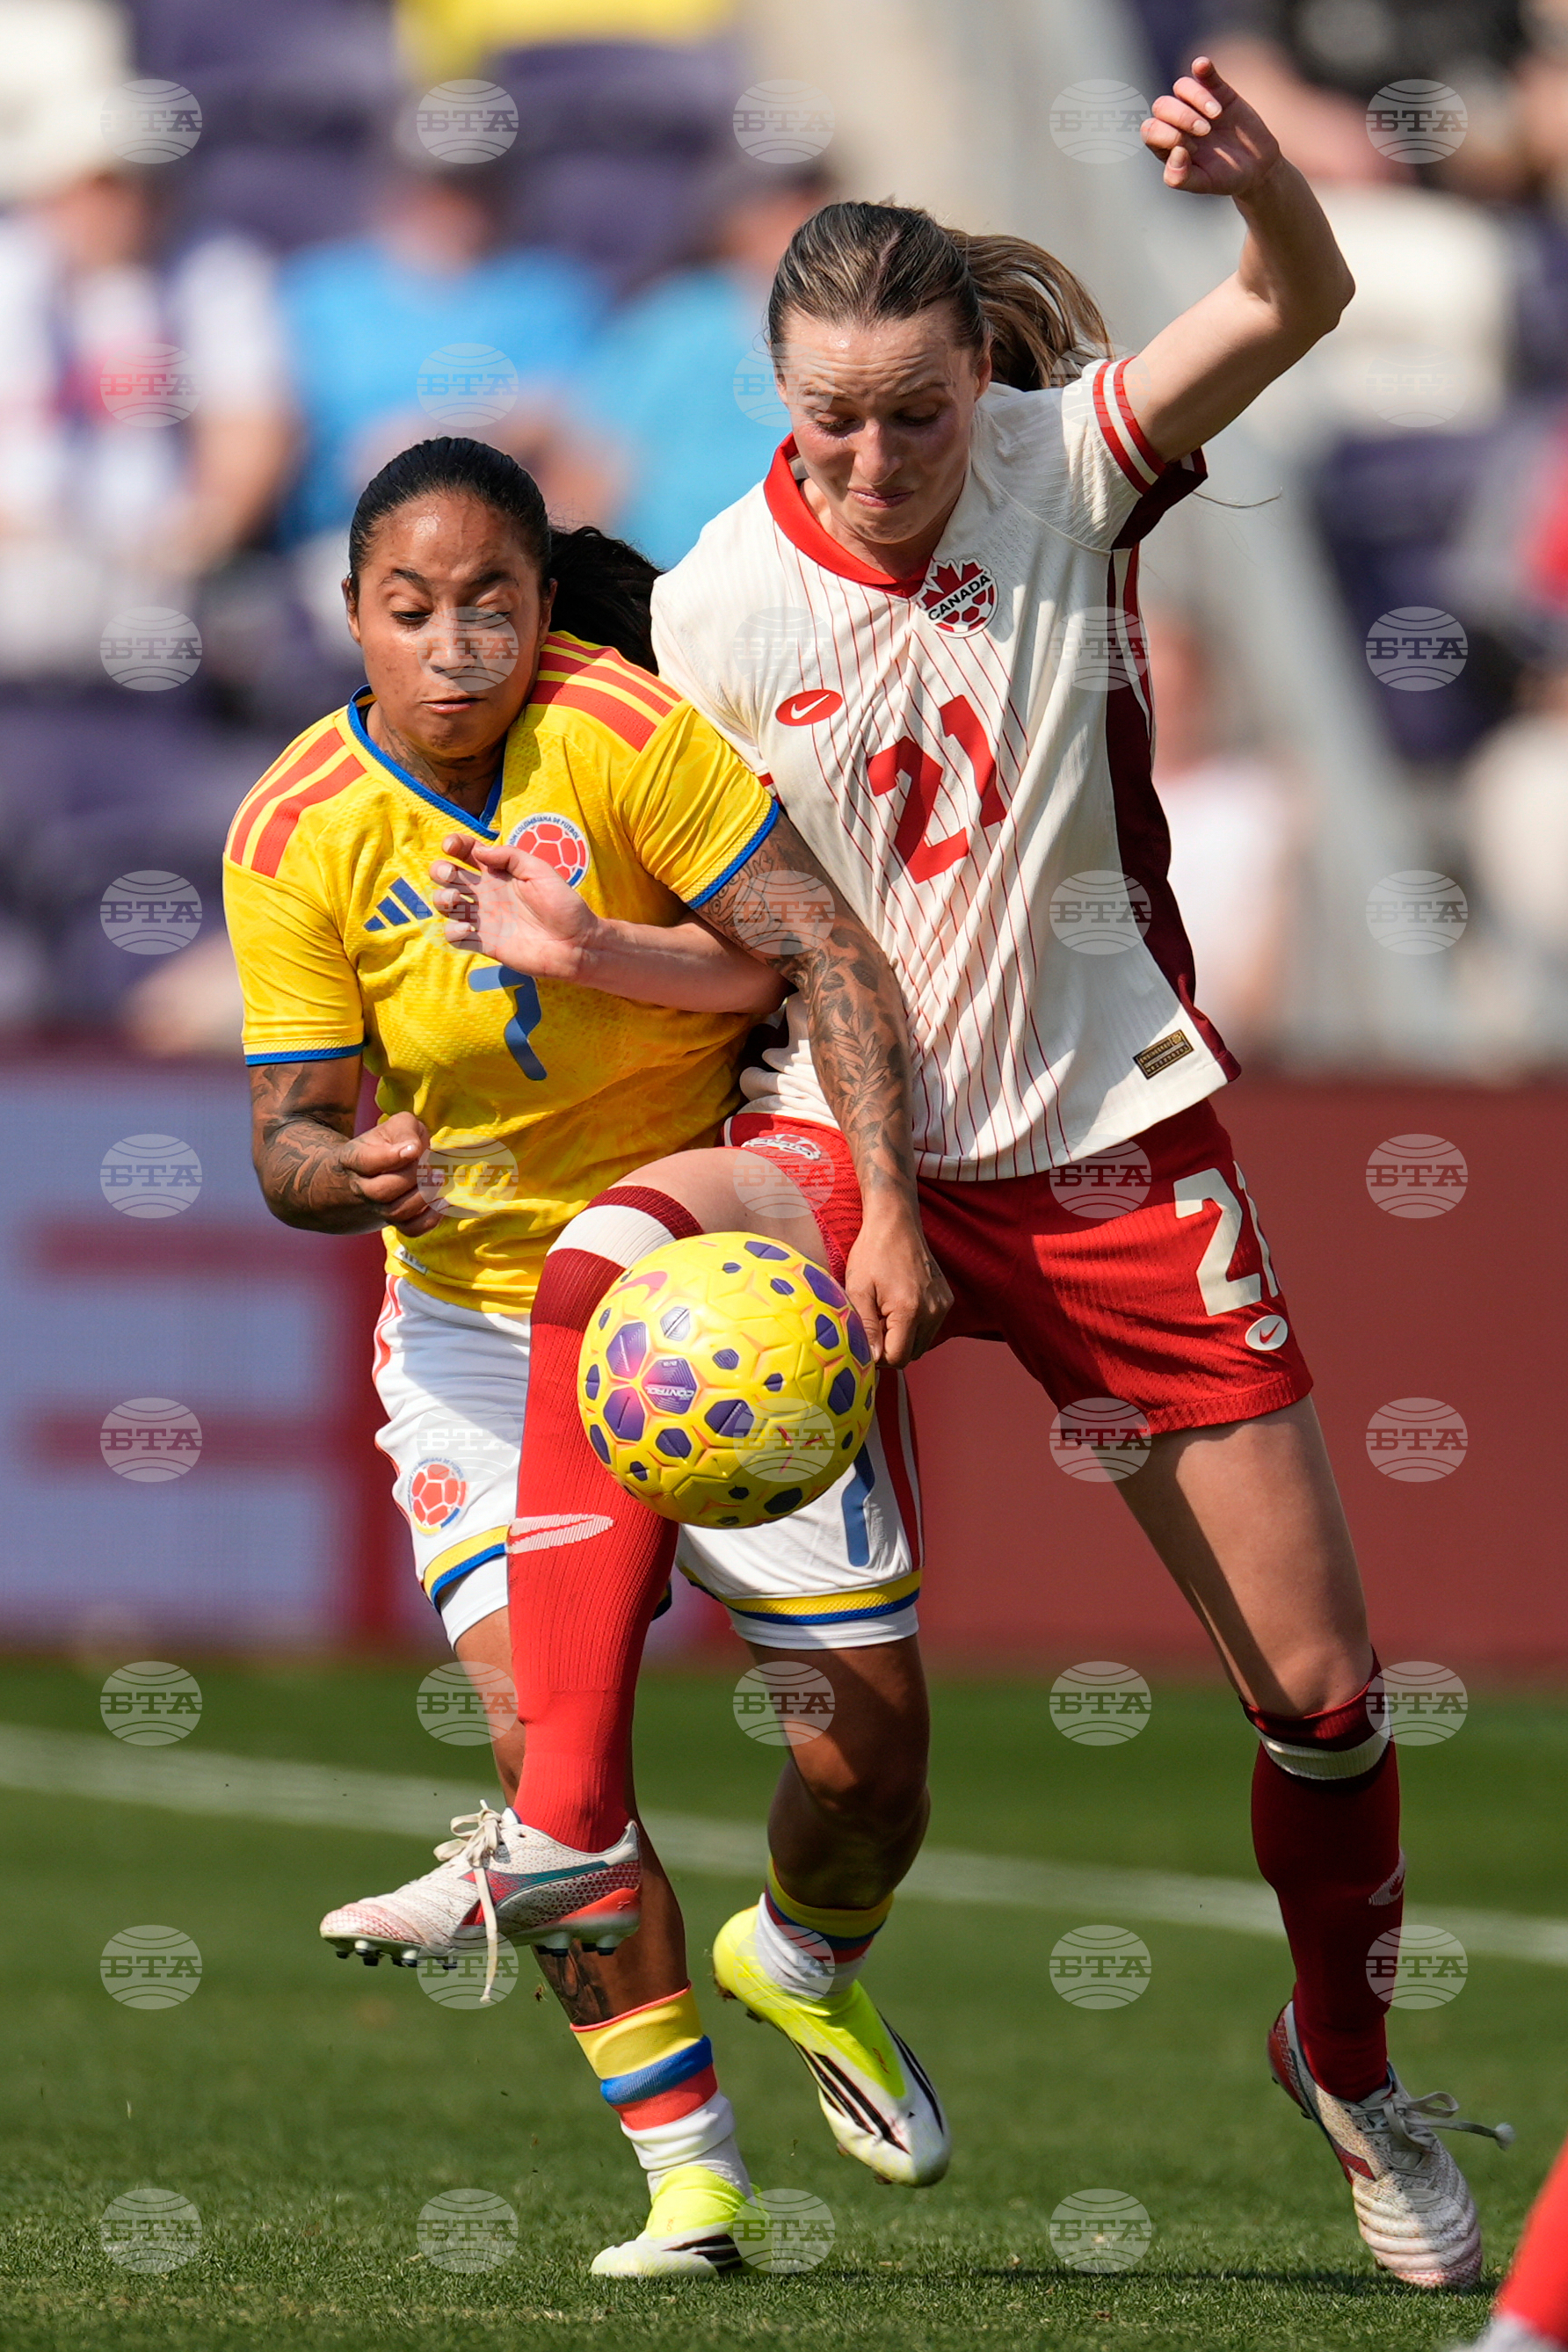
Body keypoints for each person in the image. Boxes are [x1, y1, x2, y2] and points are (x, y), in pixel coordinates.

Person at [480, 58, 1513, 2292]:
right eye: (835, 416)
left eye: (916, 413)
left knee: (1321, 1699)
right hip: (824, 1133)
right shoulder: (715, 617)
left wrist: (1264, 197)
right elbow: (768, 942)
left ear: (979, 382)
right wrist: (599, 959)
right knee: (610, 1254)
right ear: (779, 391)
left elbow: (1292, 304)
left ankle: (1343, 2065)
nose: (877, 457)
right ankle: (562, 1811)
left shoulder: (1069, 473)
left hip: (1109, 1145)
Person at [222, 433, 948, 2277]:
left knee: (870, 1764)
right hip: (477, 1329)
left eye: (494, 602)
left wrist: (880, 1207)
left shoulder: (620, 736)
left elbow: (818, 956)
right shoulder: (296, 832)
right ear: (354, 621)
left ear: (546, 609)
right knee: (552, 1754)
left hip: (716, 1298)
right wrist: (346, 1169)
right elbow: (287, 1138)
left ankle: (806, 1959)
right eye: (413, 608)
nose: (457, 642)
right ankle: (688, 2178)